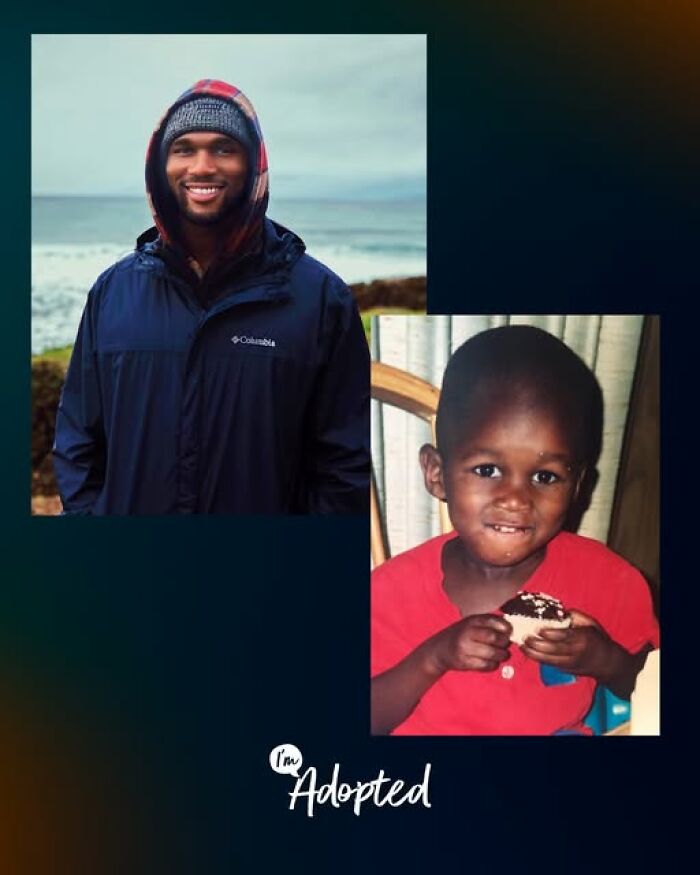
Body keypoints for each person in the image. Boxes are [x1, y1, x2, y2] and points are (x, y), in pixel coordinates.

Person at [53, 79, 370, 515]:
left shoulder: (318, 299)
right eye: (184, 148)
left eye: (224, 148)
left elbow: (342, 462)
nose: (202, 166)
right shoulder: (112, 293)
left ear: (253, 163)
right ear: (159, 166)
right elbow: (78, 439)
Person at [371, 325, 659, 735]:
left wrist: (608, 660)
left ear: (577, 487)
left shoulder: (610, 582)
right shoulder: (388, 594)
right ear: (437, 474)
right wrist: (432, 658)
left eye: (545, 476)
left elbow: (656, 697)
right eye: (487, 470)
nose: (516, 499)